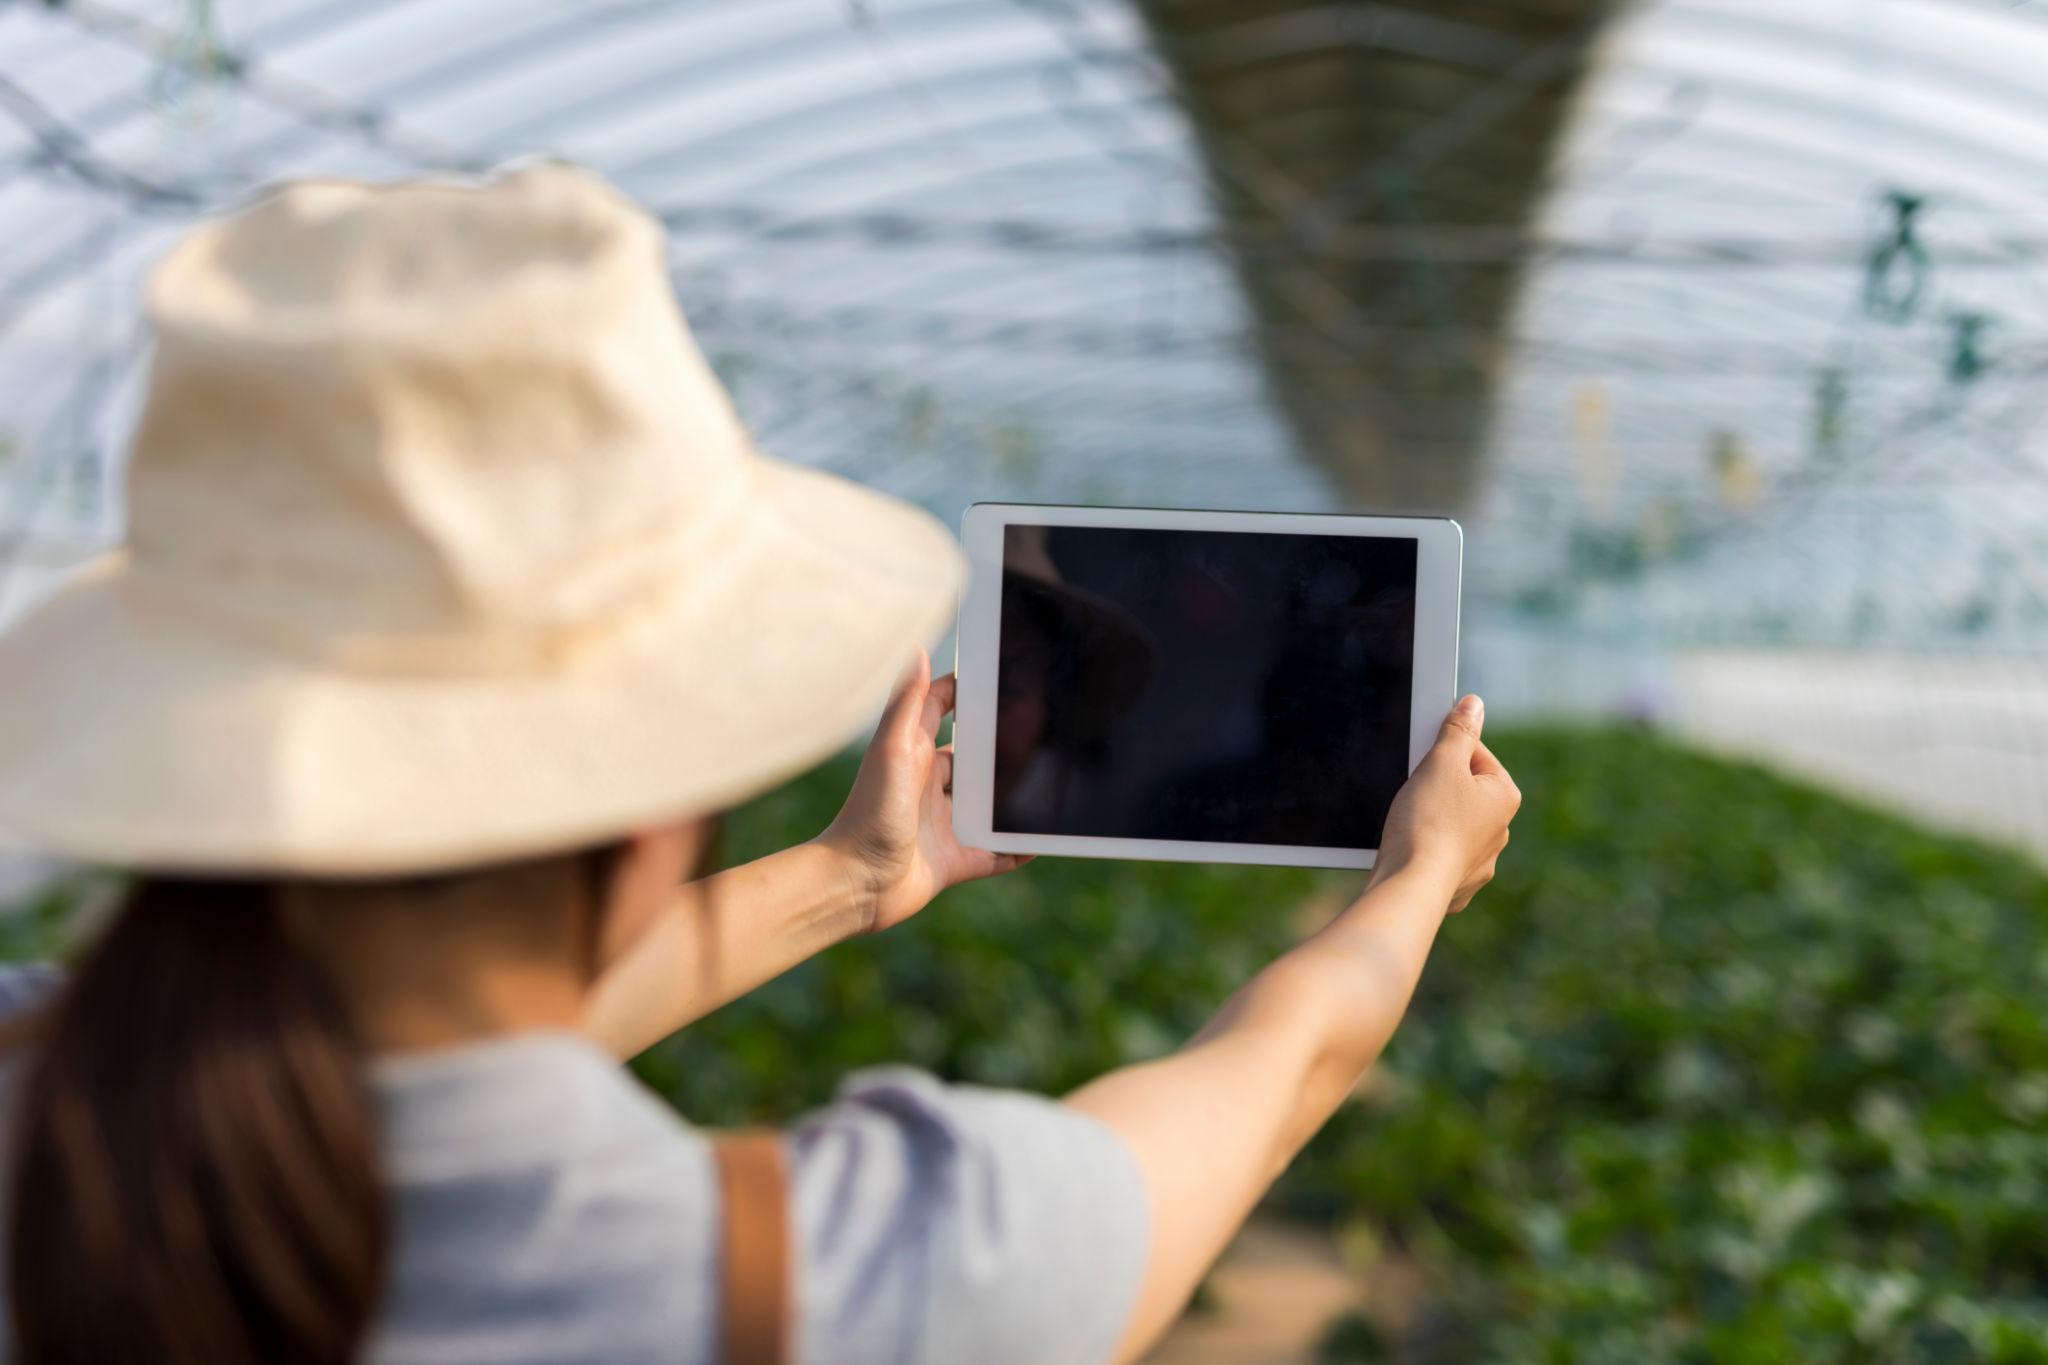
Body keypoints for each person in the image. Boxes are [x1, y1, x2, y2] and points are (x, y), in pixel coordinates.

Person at [0, 165, 1520, 1365]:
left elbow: (388, 1047)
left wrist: (851, 877)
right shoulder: (872, 1279)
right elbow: (1275, 1072)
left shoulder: (53, 1102)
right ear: (669, 798)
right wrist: (1416, 878)